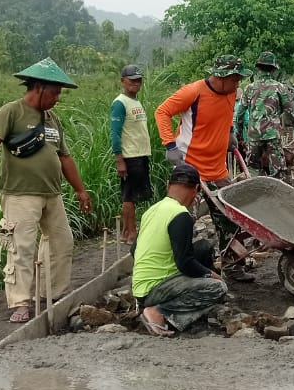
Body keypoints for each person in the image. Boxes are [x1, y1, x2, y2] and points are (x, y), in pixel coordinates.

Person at [0, 58, 92, 323]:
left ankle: (53, 292)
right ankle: (20, 303)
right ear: (39, 87)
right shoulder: (11, 112)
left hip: (51, 193)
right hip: (19, 193)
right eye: (55, 92)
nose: (58, 98)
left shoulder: (52, 120)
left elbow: (65, 157)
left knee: (62, 241)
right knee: (21, 247)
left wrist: (81, 190)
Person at [154, 54, 256, 281]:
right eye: (235, 78)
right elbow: (162, 112)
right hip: (190, 168)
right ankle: (175, 270)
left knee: (229, 218)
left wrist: (230, 134)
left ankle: (232, 264)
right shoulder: (194, 92)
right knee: (181, 221)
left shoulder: (230, 93)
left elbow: (227, 116)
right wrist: (170, 145)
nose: (238, 83)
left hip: (218, 169)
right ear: (221, 76)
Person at [131, 164, 229, 337]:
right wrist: (210, 274)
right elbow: (184, 263)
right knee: (218, 288)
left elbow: (134, 250)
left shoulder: (152, 210)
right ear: (196, 189)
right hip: (154, 289)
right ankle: (160, 312)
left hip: (141, 285)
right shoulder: (180, 215)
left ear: (169, 184)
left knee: (202, 248)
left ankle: (150, 305)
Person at [235, 52, 294, 180]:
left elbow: (240, 114)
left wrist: (239, 135)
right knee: (278, 170)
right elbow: (291, 112)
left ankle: (255, 193)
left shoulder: (249, 88)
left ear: (258, 68)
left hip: (254, 134)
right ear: (273, 69)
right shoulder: (279, 88)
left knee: (252, 168)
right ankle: (276, 194)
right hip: (272, 135)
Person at [110, 64, 151, 244]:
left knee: (133, 195)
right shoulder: (120, 103)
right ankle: (129, 233)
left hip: (140, 154)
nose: (136, 83)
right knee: (129, 195)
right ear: (123, 81)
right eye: (132, 80)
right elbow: (115, 133)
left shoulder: (135, 101)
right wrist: (120, 159)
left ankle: (129, 232)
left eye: (139, 80)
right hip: (130, 155)